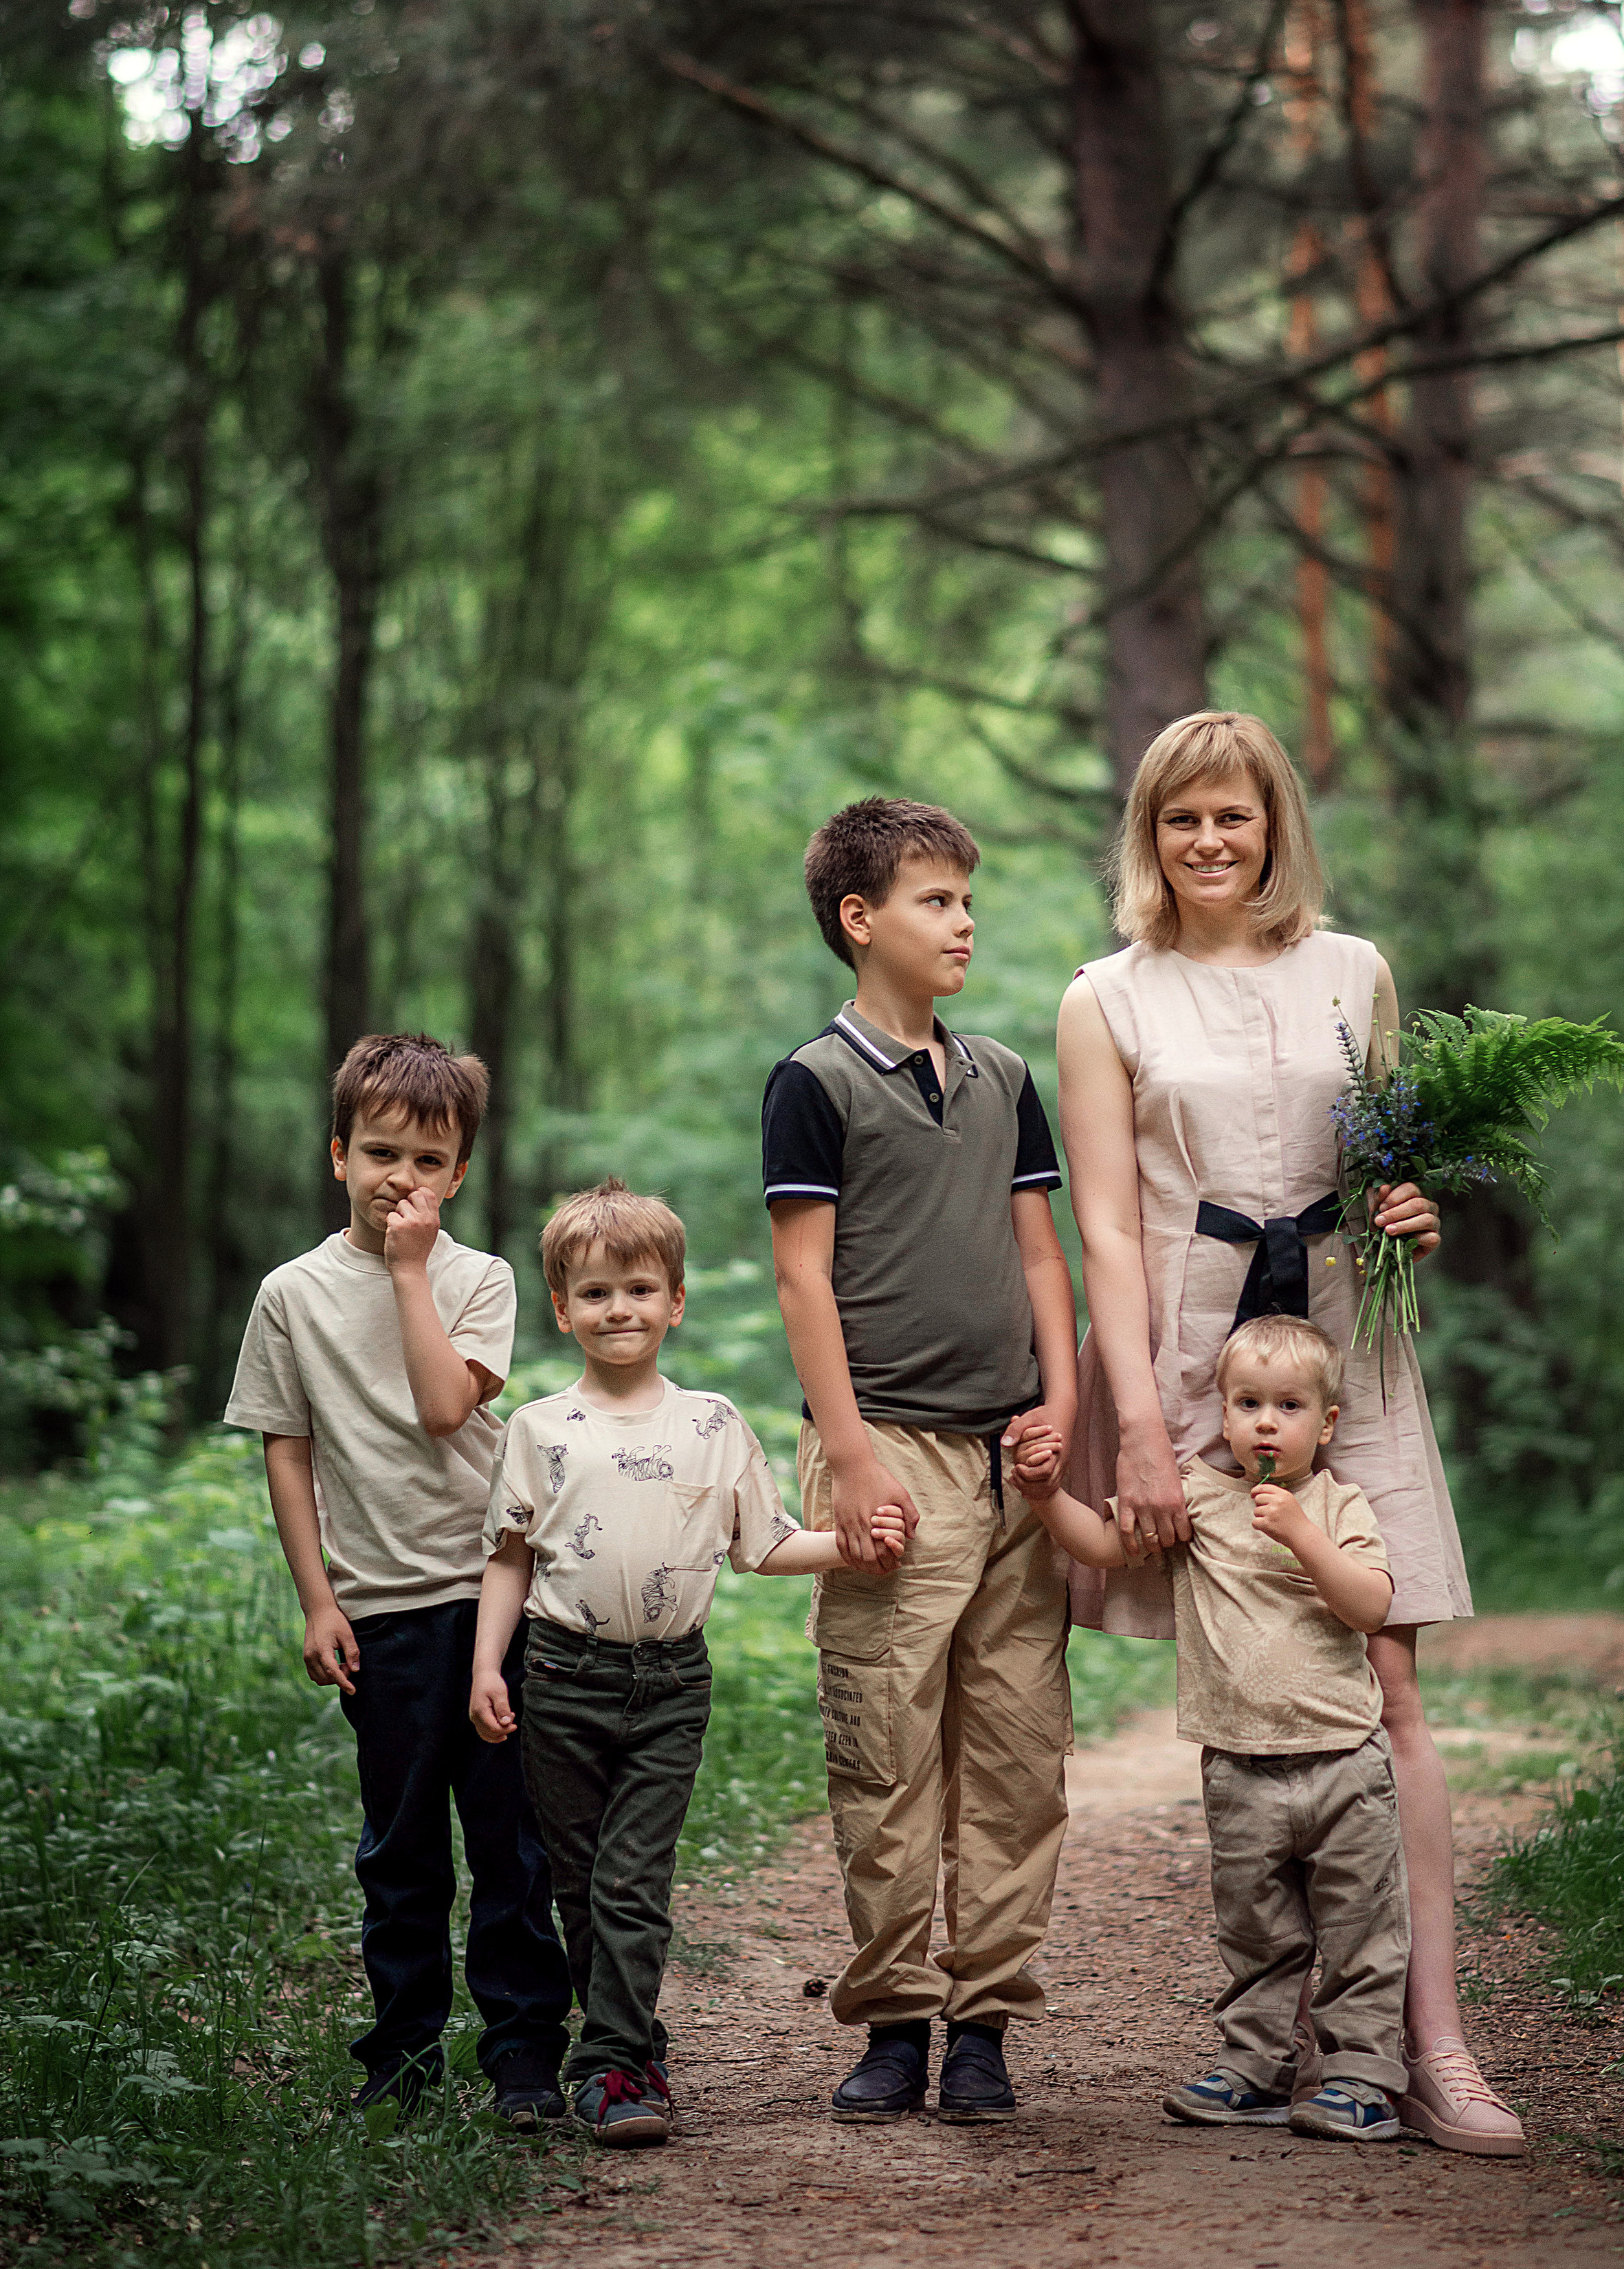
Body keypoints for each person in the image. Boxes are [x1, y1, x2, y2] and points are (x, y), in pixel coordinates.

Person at [1055, 709, 1525, 2157]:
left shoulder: (1354, 971)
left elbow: (1383, 1165)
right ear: (1150, 833)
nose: (1210, 839)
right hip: (1194, 1345)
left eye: (1235, 814)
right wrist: (1140, 1424)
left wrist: (1414, 1222)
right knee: (1252, 1690)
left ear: (1274, 825)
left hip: (1346, 1349)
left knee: (1384, 1681)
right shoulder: (1103, 996)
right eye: (1182, 816)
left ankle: (1420, 2041)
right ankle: (1272, 2029)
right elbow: (1109, 1233)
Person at [469, 1180, 909, 2147]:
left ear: (675, 1299)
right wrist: (486, 1668)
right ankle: (635, 2038)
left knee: (631, 1882)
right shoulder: (538, 1430)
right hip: (559, 1676)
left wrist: (848, 1544)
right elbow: (509, 1559)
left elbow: (765, 1544)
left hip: (668, 1685)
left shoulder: (710, 1424)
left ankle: (612, 2072)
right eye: (594, 1294)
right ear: (561, 1308)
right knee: (580, 1886)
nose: (617, 1309)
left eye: (637, 1289)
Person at [761, 797, 1079, 2127]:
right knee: (890, 1757)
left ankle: (986, 2021)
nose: (963, 921)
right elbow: (802, 1277)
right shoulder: (815, 1083)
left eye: (967, 899)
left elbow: (1042, 1255)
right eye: (936, 900)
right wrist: (849, 1455)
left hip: (1017, 1462)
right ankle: (894, 2022)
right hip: (889, 1451)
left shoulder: (1003, 1075)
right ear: (860, 919)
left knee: (1016, 1756)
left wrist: (1062, 1405)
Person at [224, 1032, 572, 2127]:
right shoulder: (292, 1294)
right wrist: (317, 1597)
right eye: (380, 1154)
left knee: (513, 1846)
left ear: (459, 1172)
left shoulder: (478, 1278)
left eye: (428, 1163)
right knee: (402, 1847)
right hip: (378, 1609)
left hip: (495, 1596)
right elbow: (285, 1445)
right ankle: (403, 2061)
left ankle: (523, 2060)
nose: (401, 1181)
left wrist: (415, 1271)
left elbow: (441, 1406)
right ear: (338, 1155)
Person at [1023, 1315, 1410, 2142]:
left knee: (1360, 1932)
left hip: (1344, 1758)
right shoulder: (1194, 1495)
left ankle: (1360, 2078)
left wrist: (1302, 1534)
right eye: (1249, 1403)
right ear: (1222, 1413)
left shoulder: (1338, 1504)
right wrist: (1046, 1497)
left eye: (1290, 1405)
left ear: (1326, 1422)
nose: (1268, 1422)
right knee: (1255, 1931)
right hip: (1238, 1763)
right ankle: (1256, 2066)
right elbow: (1104, 1544)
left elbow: (1371, 1606)